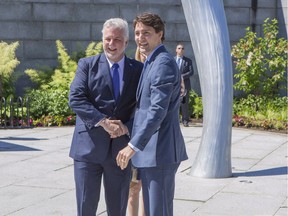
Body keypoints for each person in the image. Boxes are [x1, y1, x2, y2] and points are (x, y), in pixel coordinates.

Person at [115, 12, 188, 216]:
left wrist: (132, 145)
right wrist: (126, 127)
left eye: (146, 33)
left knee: (159, 211)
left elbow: (157, 110)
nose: (140, 38)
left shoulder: (162, 62)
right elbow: (144, 109)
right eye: (137, 33)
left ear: (159, 34)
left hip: (161, 152)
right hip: (153, 153)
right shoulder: (152, 61)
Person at [68, 18, 142, 216]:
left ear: (126, 42)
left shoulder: (138, 70)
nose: (111, 44)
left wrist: (126, 127)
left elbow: (146, 108)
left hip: (121, 152)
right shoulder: (87, 65)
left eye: (117, 39)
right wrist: (104, 122)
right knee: (86, 207)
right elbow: (76, 98)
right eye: (108, 39)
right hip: (87, 150)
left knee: (117, 209)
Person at [127, 47, 146, 216]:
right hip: (132, 138)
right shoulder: (133, 73)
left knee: (145, 188)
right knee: (134, 187)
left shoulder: (158, 70)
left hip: (149, 141)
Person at [175, 43, 193, 127]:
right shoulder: (172, 60)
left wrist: (182, 76)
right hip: (174, 86)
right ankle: (175, 120)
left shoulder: (188, 61)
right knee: (174, 103)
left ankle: (185, 121)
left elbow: (191, 72)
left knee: (184, 103)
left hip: (185, 85)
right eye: (179, 48)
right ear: (176, 50)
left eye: (182, 48)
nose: (181, 50)